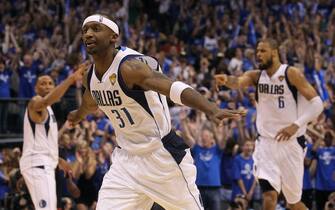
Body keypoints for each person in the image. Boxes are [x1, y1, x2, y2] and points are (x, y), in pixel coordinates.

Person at [67, 14, 245, 210]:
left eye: (95, 29)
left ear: (113, 37)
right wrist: (78, 115)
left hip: (161, 157)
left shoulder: (130, 67)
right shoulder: (90, 77)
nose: (88, 34)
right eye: (85, 30)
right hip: (125, 162)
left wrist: (210, 107)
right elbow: (90, 103)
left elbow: (173, 88)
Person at [215, 38, 324, 210]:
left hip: (291, 143)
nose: (258, 55)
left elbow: (318, 104)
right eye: (257, 51)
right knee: (269, 196)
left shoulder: (291, 73)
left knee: (293, 202)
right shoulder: (256, 76)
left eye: (262, 51)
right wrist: (225, 80)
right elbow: (238, 81)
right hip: (265, 143)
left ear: (274, 52)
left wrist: (296, 124)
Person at [19, 62, 89, 210]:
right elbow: (46, 100)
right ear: (35, 88)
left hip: (45, 164)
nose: (47, 86)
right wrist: (71, 79)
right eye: (43, 83)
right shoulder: (35, 102)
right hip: (37, 165)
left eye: (50, 83)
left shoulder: (49, 110)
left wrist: (57, 159)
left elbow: (42, 142)